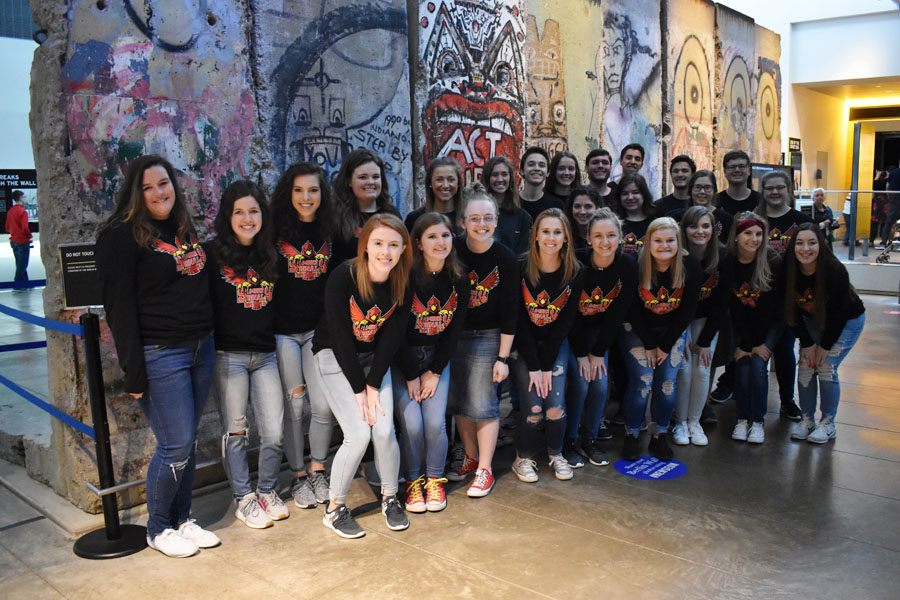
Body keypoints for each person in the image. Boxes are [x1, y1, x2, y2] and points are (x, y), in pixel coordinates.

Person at [97, 155, 219, 557]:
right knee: (175, 443)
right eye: (147, 187)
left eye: (163, 183)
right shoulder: (120, 235)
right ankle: (158, 527)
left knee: (185, 444)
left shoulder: (182, 228)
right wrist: (132, 371)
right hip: (160, 352)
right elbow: (118, 308)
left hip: (201, 346)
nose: (158, 192)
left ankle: (183, 519)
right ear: (135, 192)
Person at [313, 214, 412, 539]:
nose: (386, 251)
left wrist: (373, 384)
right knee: (358, 433)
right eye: (378, 243)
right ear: (366, 246)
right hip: (333, 355)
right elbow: (340, 337)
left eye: (393, 245)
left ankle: (389, 496)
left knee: (383, 432)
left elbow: (390, 339)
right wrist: (359, 390)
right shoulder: (343, 276)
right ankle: (334, 509)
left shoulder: (401, 281)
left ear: (403, 249)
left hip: (372, 360)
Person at [207, 181, 287, 529]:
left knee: (274, 433)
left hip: (266, 355)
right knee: (235, 433)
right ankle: (243, 498)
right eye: (239, 211)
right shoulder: (212, 255)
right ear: (228, 216)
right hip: (229, 358)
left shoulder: (271, 254)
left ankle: (266, 490)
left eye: (253, 211)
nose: (247, 218)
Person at [270, 162, 336, 509]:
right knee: (294, 406)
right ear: (288, 193)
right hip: (283, 334)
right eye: (298, 190)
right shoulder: (275, 230)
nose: (306, 197)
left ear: (322, 194)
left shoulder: (331, 231)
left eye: (312, 190)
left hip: (317, 333)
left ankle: (318, 469)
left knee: (323, 406)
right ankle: (297, 476)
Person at [393, 213, 469, 513]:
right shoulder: (405, 277)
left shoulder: (459, 281)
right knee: (412, 424)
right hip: (404, 360)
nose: (440, 242)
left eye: (446, 236)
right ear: (419, 244)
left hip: (437, 360)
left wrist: (435, 371)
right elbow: (395, 333)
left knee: (435, 424)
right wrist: (413, 373)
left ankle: (435, 479)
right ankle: (413, 481)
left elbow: (453, 333)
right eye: (432, 237)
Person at [447, 184, 518, 497]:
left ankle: (485, 470)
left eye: (487, 218)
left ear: (496, 220)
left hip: (488, 336)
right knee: (460, 401)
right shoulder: (453, 252)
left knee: (483, 402)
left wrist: (502, 359)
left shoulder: (505, 258)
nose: (481, 224)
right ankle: (470, 455)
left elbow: (510, 312)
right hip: (453, 335)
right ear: (462, 222)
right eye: (474, 218)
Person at [509, 209, 583, 482]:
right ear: (536, 236)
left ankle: (555, 454)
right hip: (523, 346)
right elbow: (518, 321)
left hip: (554, 345)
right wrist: (535, 366)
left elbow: (565, 324)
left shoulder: (574, 272)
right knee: (534, 409)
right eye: (546, 232)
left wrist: (547, 365)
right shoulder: (519, 267)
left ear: (566, 238)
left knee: (554, 407)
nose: (551, 237)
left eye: (557, 232)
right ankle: (523, 458)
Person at [621, 217, 700, 461]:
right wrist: (650, 344)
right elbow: (631, 309)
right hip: (638, 330)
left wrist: (664, 346)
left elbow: (688, 310)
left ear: (678, 242)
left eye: (669, 240)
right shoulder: (635, 264)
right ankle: (632, 435)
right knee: (642, 383)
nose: (664, 245)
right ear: (648, 241)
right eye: (658, 240)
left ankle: (659, 436)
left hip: (671, 332)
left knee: (666, 385)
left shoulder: (690, 265)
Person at [781, 223, 865, 443]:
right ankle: (807, 419)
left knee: (826, 367)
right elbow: (789, 311)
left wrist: (824, 346)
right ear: (793, 246)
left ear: (821, 244)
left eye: (811, 243)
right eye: (799, 243)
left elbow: (839, 314)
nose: (805, 249)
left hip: (847, 322)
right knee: (807, 365)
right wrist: (807, 343)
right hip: (812, 322)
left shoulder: (834, 270)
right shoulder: (787, 268)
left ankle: (828, 424)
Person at [566, 209, 637, 466]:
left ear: (620, 237)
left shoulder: (627, 265)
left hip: (600, 331)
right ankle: (569, 441)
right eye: (598, 236)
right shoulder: (577, 262)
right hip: (572, 331)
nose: (605, 242)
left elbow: (616, 314)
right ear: (588, 238)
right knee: (581, 383)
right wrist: (583, 353)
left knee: (600, 383)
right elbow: (570, 313)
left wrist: (597, 352)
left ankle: (590, 440)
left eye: (611, 235)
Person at [671, 206, 731, 446]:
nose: (700, 231)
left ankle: (694, 421)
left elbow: (721, 304)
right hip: (681, 320)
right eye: (694, 226)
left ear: (713, 230)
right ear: (684, 229)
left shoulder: (724, 257)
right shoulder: (677, 255)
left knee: (702, 369)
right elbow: (679, 303)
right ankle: (680, 422)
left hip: (707, 320)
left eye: (705, 226)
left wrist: (705, 341)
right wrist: (681, 334)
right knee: (684, 369)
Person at [755, 170, 810, 421]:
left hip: (790, 298)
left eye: (780, 187)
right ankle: (753, 406)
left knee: (785, 350)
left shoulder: (800, 220)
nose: (774, 192)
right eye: (769, 188)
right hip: (757, 296)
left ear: (789, 189)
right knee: (756, 350)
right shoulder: (755, 219)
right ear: (762, 191)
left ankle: (787, 400)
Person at [727, 212, 779, 444]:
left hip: (769, 330)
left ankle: (757, 422)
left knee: (758, 367)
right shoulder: (728, 263)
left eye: (759, 234)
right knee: (743, 366)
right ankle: (742, 419)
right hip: (742, 332)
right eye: (748, 233)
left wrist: (762, 345)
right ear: (737, 236)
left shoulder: (772, 262)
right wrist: (742, 345)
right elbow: (731, 310)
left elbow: (773, 312)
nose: (754, 239)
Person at [333, 148, 401, 262]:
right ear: (349, 181)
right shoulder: (335, 216)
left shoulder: (392, 214)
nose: (370, 182)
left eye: (375, 177)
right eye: (363, 177)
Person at [666, 170, 734, 244]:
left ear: (714, 190)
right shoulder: (676, 218)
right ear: (690, 190)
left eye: (707, 187)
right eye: (697, 187)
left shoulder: (727, 220)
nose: (702, 191)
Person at [482, 155, 532, 255]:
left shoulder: (523, 218)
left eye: (504, 174)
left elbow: (523, 256)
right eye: (495, 174)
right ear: (487, 178)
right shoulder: (479, 215)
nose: (500, 179)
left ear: (510, 178)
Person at [405, 157, 463, 236]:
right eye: (439, 180)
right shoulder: (414, 219)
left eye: (451, 179)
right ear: (430, 183)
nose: (445, 185)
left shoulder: (468, 217)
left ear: (458, 183)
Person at [615, 173, 656, 258]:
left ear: (644, 194)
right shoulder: (614, 224)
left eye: (635, 192)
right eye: (625, 193)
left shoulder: (655, 224)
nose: (630, 197)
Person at [519, 146, 562, 220]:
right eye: (531, 164)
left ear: (548, 172)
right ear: (522, 171)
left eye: (541, 165)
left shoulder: (556, 206)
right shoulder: (510, 203)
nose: (537, 168)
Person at [716, 150, 760, 217]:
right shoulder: (716, 201)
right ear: (724, 172)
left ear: (749, 170)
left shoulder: (761, 201)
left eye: (741, 166)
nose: (737, 170)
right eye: (732, 167)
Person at [6, 190, 31, 288]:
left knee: (20, 264)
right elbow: (25, 228)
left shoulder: (10, 211)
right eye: (24, 197)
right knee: (22, 266)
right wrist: (29, 235)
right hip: (23, 241)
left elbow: (7, 227)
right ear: (20, 198)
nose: (25, 199)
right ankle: (17, 285)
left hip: (14, 241)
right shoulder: (23, 212)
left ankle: (25, 284)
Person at [565, 187, 601, 251]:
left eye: (588, 206)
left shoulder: (606, 235)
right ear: (571, 208)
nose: (582, 212)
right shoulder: (564, 236)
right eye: (577, 206)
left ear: (597, 208)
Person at [881, 165, 900, 246]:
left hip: (895, 198)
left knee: (889, 221)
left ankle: (884, 242)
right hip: (895, 197)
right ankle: (897, 241)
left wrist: (890, 197)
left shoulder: (894, 172)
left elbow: (887, 186)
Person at [872, 171, 888, 246]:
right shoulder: (888, 181)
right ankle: (883, 240)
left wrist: (877, 177)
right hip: (886, 204)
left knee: (874, 223)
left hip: (877, 204)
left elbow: (874, 185)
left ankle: (871, 240)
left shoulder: (879, 182)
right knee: (884, 223)